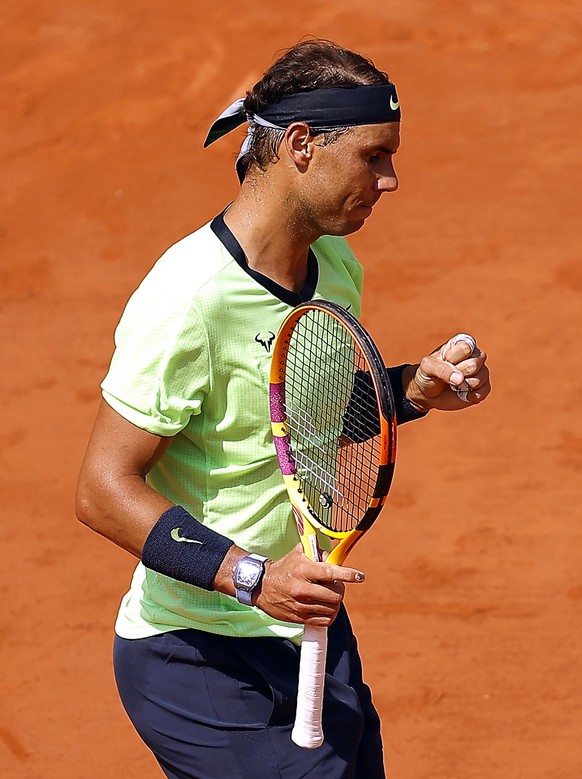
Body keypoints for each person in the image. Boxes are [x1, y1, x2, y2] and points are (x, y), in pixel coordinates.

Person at [76, 38, 490, 779]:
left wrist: (412, 391)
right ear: (301, 144)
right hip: (194, 652)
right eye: (374, 155)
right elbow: (103, 490)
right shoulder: (188, 299)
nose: (390, 179)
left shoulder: (335, 268)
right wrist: (251, 575)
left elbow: (313, 428)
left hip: (306, 633)